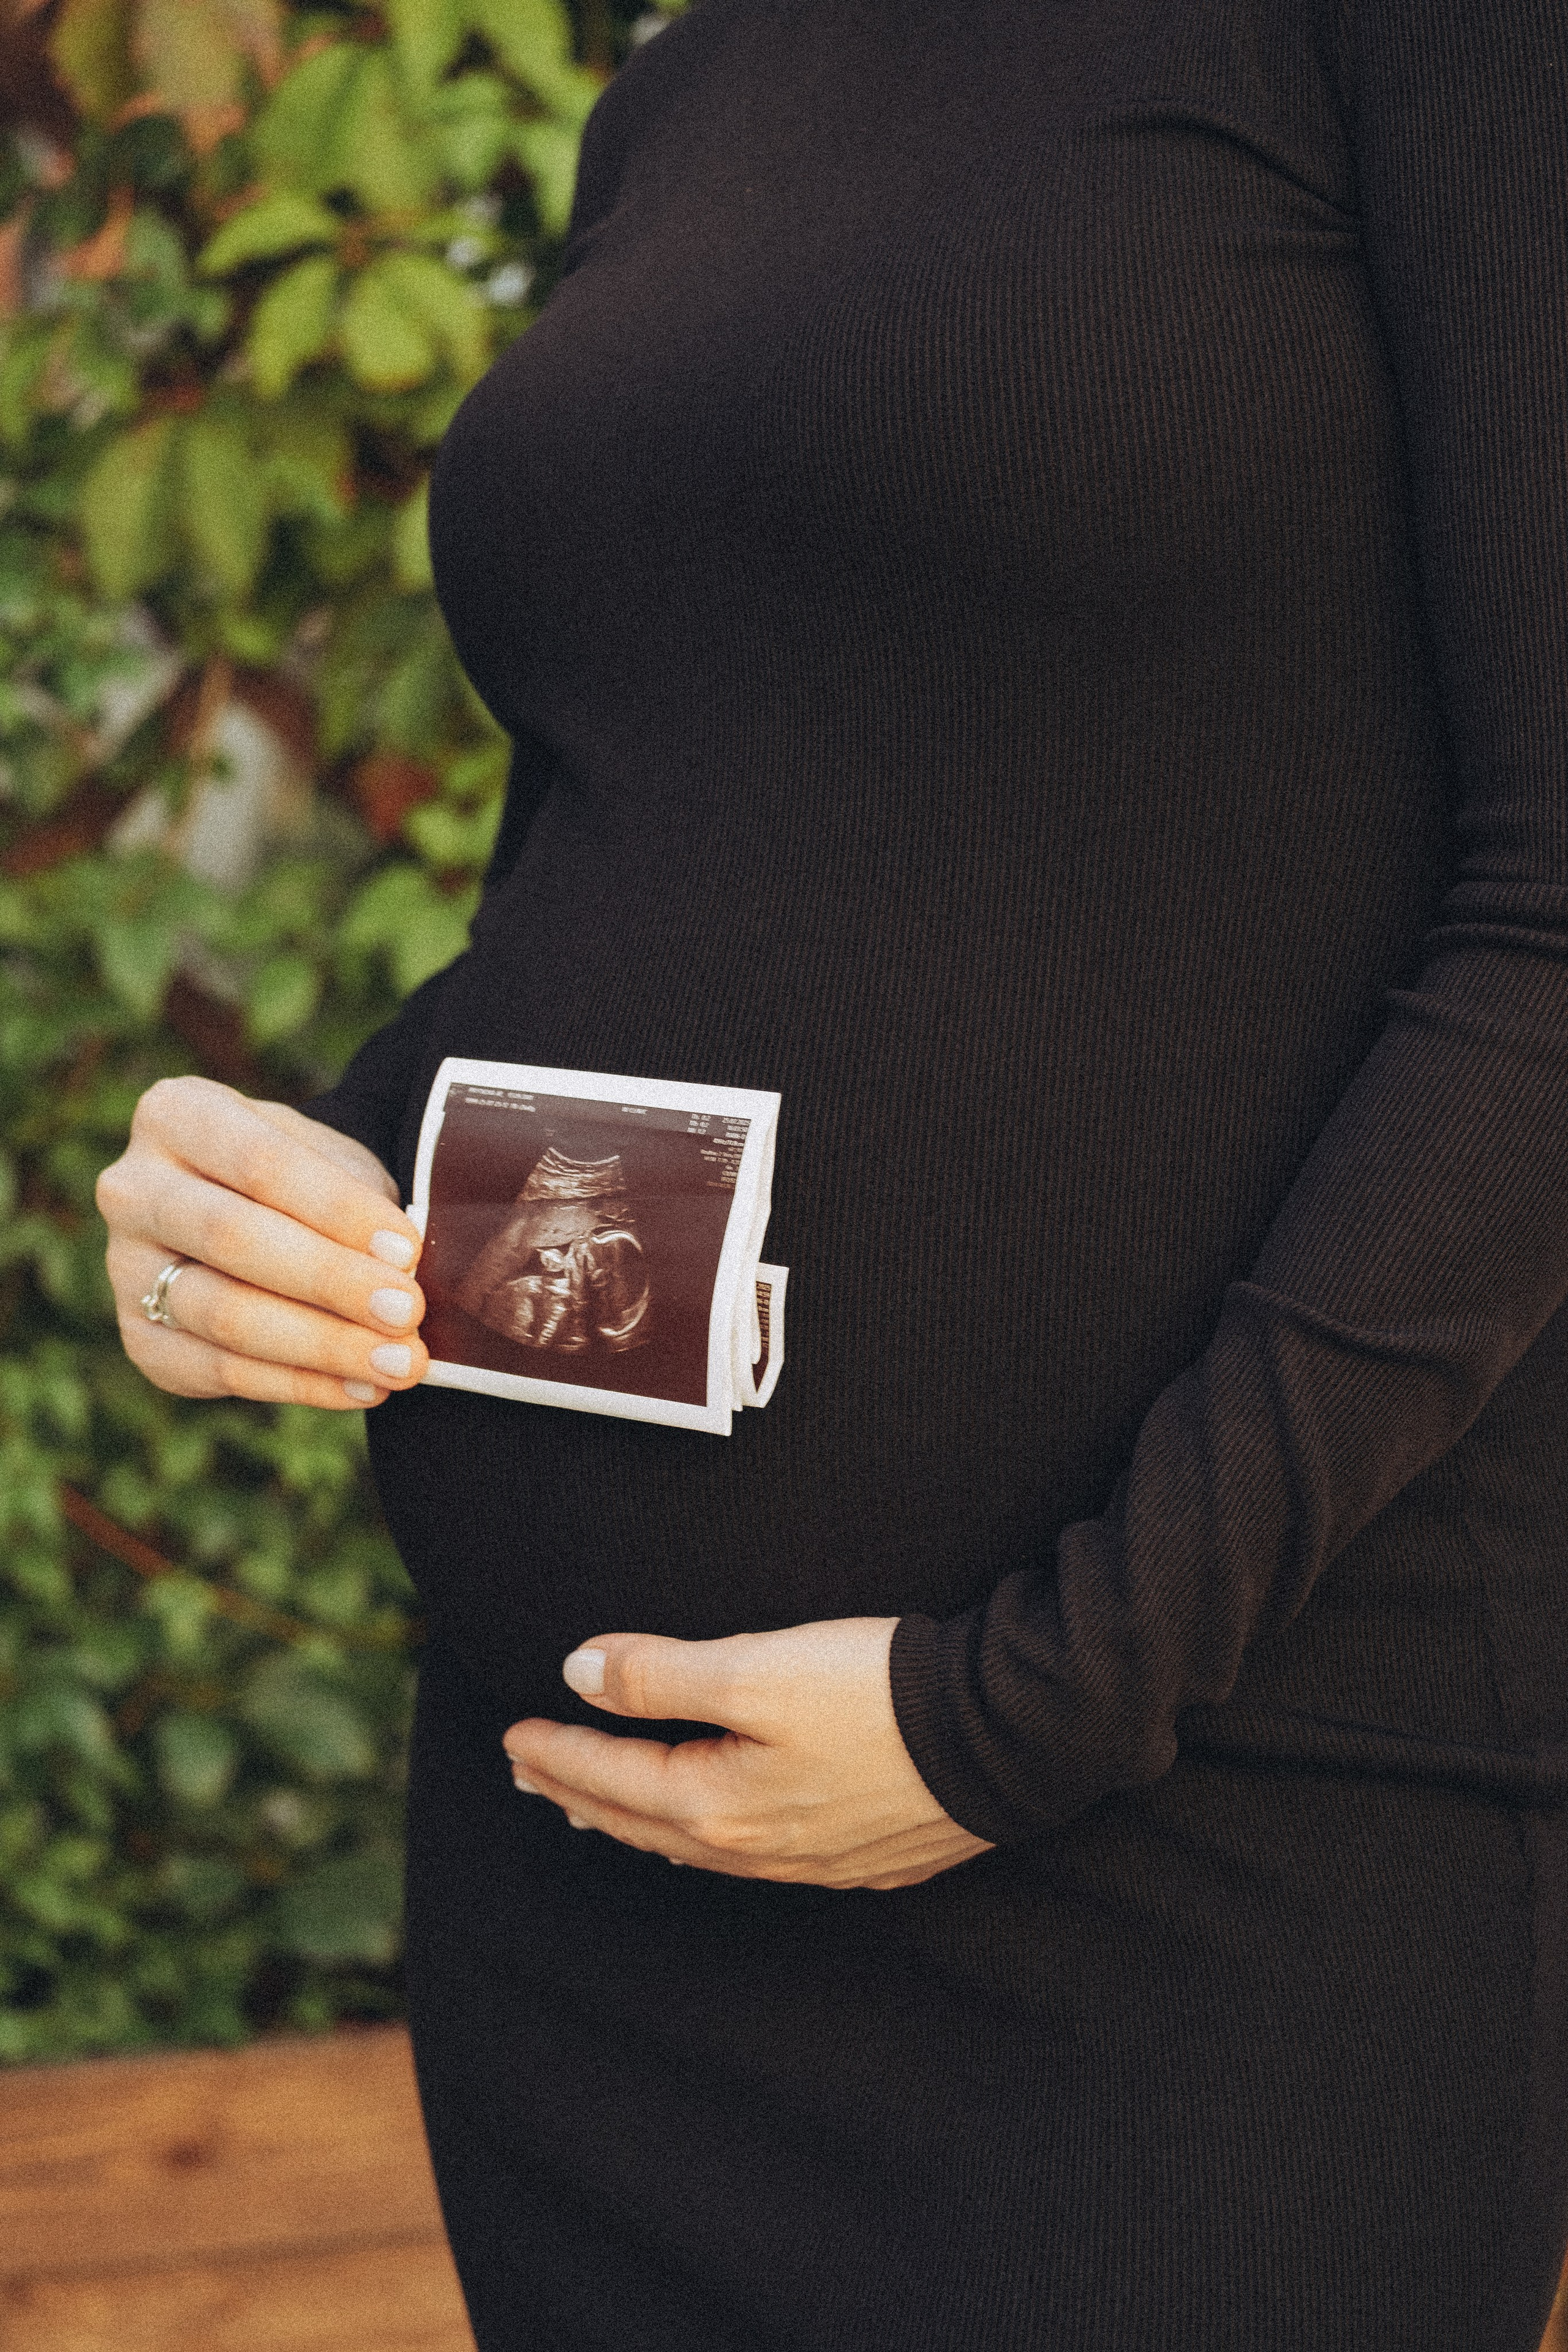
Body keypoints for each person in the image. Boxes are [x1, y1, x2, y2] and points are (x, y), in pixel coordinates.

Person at [97, 0, 1568, 2343]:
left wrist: (1035, 1704)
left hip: (1212, 1823)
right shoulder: (690, 82)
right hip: (584, 1841)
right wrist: (288, 1194)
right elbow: (632, 875)